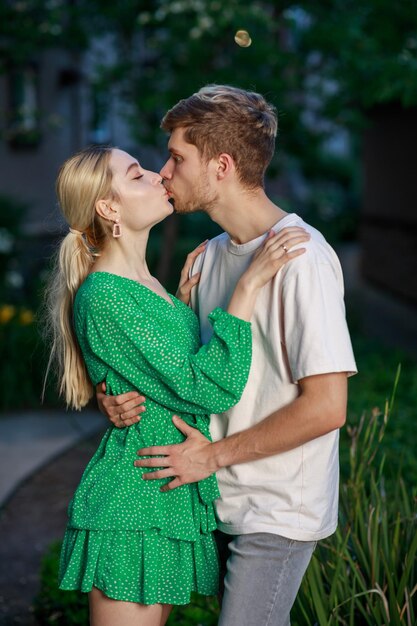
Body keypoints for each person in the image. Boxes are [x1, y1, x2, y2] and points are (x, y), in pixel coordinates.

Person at [99, 85, 357, 626]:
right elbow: (190, 375)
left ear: (220, 166)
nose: (164, 172)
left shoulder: (301, 259)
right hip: (214, 498)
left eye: (177, 157)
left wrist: (209, 457)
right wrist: (114, 396)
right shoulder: (211, 257)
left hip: (276, 508)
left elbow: (328, 408)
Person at [44, 144, 309, 626]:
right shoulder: (105, 294)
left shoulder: (153, 289)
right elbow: (206, 388)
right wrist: (246, 290)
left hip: (164, 489)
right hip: (135, 497)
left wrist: (183, 307)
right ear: (109, 208)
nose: (156, 175)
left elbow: (161, 378)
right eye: (136, 174)